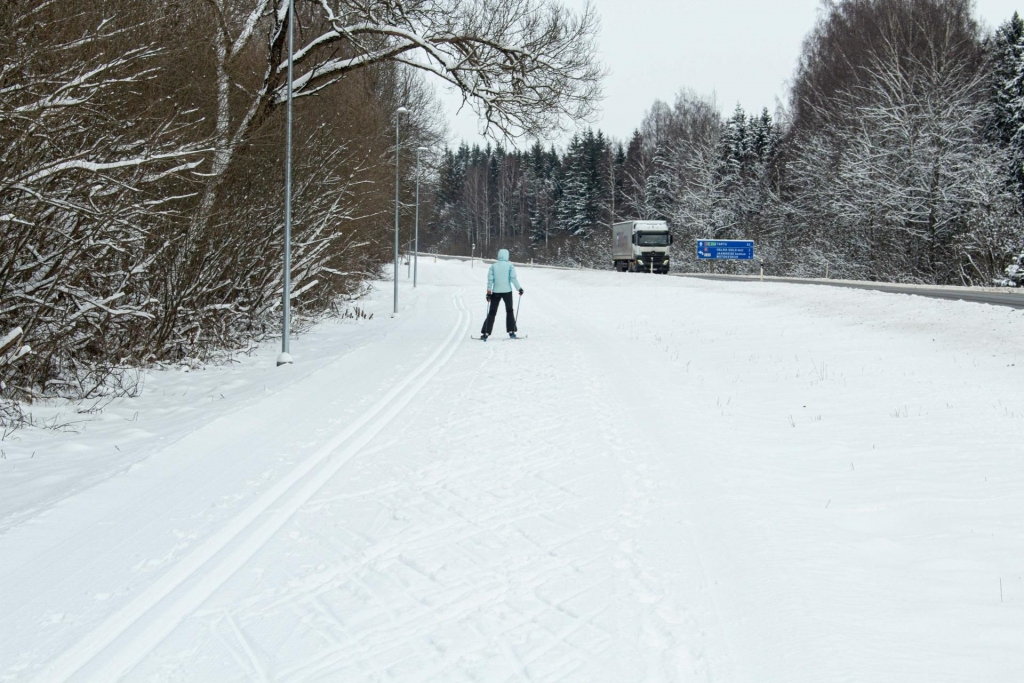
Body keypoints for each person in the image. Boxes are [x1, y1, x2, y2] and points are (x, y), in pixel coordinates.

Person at [480, 248, 524, 340]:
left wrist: (488, 293)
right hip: (507, 292)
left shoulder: (493, 266)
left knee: (492, 312)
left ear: (499, 255)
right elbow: (513, 279)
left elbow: (490, 281)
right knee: (509, 311)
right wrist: (519, 289)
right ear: (507, 256)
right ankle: (511, 331)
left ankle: (486, 332)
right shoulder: (510, 266)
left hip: (496, 292)